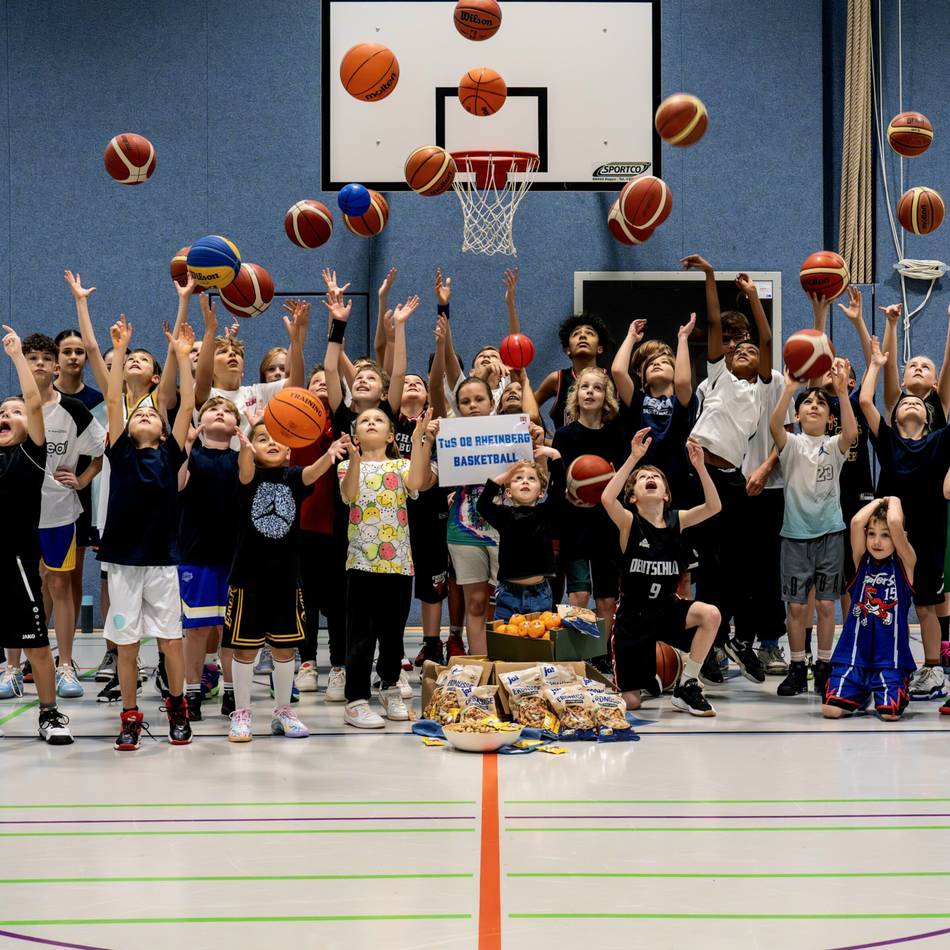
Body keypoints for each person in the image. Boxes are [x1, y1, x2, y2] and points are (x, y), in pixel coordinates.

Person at [99, 316, 196, 751]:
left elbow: (189, 401)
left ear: (162, 428)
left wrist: (180, 356)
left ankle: (177, 705)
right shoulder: (118, 450)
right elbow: (114, 399)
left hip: (162, 561)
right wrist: (120, 350)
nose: (143, 416)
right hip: (122, 562)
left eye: (152, 415)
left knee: (170, 641)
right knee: (126, 646)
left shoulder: (171, 452)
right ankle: (130, 715)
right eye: (137, 413)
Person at [683, 255, 774, 685]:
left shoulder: (762, 387)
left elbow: (767, 337)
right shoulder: (717, 377)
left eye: (752, 350)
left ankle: (733, 638)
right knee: (708, 565)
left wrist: (754, 297)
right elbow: (716, 326)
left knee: (738, 566)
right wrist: (709, 276)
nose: (744, 350)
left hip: (732, 481)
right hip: (699, 474)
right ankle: (708, 643)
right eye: (739, 348)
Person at [224, 421, 346, 742]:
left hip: (286, 582)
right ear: (252, 448)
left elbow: (311, 474)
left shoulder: (291, 478)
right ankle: (242, 713)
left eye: (277, 439)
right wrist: (246, 453)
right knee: (246, 651)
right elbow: (246, 470)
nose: (271, 443)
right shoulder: (248, 478)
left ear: (289, 450)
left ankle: (282, 711)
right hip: (248, 580)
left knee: (284, 649)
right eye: (262, 440)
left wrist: (330, 455)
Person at [601, 430, 722, 716]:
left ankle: (688, 684)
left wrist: (701, 467)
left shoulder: (676, 520)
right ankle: (643, 679)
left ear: (666, 494)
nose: (649, 479)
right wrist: (634, 458)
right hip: (633, 619)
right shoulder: (629, 522)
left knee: (711, 615)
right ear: (632, 497)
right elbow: (607, 498)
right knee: (631, 702)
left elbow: (714, 506)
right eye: (642, 479)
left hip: (667, 609)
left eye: (655, 478)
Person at [860, 336, 950, 701]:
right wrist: (876, 365)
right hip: (888, 536)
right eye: (904, 401)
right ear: (895, 417)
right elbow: (865, 401)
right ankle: (882, 664)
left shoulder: (942, 439)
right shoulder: (888, 441)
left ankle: (932, 669)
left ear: (928, 417)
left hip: (928, 536)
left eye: (918, 401)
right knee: (883, 601)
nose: (911, 401)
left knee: (927, 605)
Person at [20, 332, 106, 698]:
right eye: (32, 358)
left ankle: (66, 665)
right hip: (20, 517)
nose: (39, 363)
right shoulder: (14, 408)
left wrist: (82, 477)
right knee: (23, 590)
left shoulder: (73, 410)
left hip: (60, 514)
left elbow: (101, 452)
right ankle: (15, 665)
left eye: (44, 358)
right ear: (22, 364)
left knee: (59, 585)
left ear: (55, 366)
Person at [338, 408, 434, 728]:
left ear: (390, 435)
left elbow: (419, 481)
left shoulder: (401, 465)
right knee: (361, 635)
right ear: (356, 436)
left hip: (398, 563)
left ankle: (390, 686)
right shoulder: (345, 466)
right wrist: (353, 459)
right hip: (362, 563)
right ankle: (356, 700)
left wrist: (420, 437)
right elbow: (349, 494)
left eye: (378, 420)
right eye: (364, 421)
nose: (371, 423)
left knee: (392, 634)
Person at [0, 325, 73, 744]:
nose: (8, 417)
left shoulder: (31, 452)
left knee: (36, 646)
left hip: (18, 565)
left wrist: (15, 357)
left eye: (16, 413)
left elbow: (32, 402)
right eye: (1, 413)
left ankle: (49, 714)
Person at [769, 358, 856, 698]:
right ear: (800, 414)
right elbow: (775, 425)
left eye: (821, 403)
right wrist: (790, 389)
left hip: (830, 535)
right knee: (795, 607)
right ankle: (796, 666)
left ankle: (823, 665)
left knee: (824, 605)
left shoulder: (833, 446)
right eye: (809, 403)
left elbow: (850, 433)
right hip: (794, 537)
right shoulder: (791, 444)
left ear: (829, 417)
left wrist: (842, 393)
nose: (815, 406)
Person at [552, 367, 628, 645]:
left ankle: (602, 655)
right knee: (579, 595)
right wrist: (569, 496)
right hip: (574, 524)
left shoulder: (616, 435)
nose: (590, 392)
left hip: (606, 524)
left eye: (597, 388)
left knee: (606, 598)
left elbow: (621, 479)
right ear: (576, 395)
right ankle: (581, 655)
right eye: (585, 387)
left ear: (606, 396)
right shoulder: (564, 435)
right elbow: (558, 483)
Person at [822, 497, 915, 721]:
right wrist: (879, 502)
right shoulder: (861, 560)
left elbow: (894, 521)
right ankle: (860, 692)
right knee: (831, 710)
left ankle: (894, 684)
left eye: (885, 535)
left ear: (899, 537)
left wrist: (893, 500)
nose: (876, 541)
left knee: (889, 714)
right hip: (853, 657)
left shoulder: (906, 562)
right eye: (871, 533)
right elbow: (855, 522)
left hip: (890, 660)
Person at [178, 396, 241, 721]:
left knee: (229, 630)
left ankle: (231, 692)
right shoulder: (193, 454)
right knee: (197, 630)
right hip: (195, 555)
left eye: (227, 410)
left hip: (233, 558)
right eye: (213, 409)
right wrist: (187, 446)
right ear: (201, 422)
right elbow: (176, 484)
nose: (219, 412)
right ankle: (192, 690)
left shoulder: (240, 459)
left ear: (236, 426)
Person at [292, 364, 348, 701]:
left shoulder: (343, 425)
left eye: (327, 382)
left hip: (342, 525)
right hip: (305, 524)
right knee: (307, 600)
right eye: (315, 382)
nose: (321, 386)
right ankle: (308, 661)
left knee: (340, 603)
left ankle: (339, 666)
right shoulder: (295, 425)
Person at [476, 450, 563, 621]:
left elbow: (559, 488)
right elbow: (483, 504)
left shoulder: (545, 513)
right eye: (518, 478)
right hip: (508, 593)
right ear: (508, 492)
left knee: (538, 643)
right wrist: (503, 477)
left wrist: (555, 455)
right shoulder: (504, 515)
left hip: (541, 593)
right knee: (507, 640)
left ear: (541, 492)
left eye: (532, 479)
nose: (525, 481)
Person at [535, 313, 611, 430]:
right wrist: (545, 439)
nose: (582, 336)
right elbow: (529, 408)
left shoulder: (612, 378)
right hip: (565, 448)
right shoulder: (557, 379)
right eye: (576, 334)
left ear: (599, 348)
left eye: (589, 333)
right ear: (568, 350)